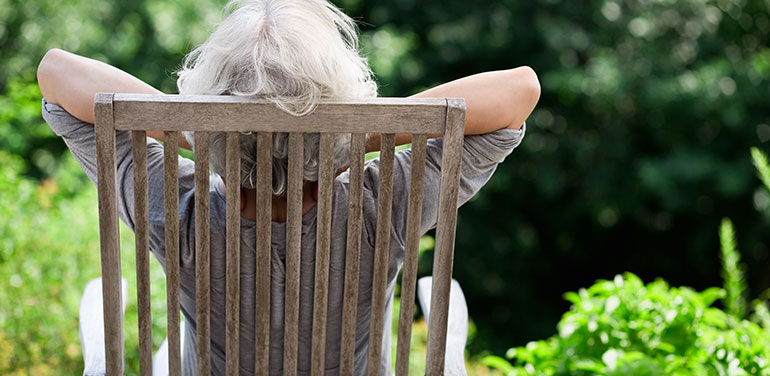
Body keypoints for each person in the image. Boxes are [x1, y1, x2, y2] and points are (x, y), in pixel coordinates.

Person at [37, 0, 540, 374]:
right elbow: (519, 91)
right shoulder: (381, 204)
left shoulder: (178, 206)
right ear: (339, 98)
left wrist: (198, 132)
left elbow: (56, 72)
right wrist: (354, 135)